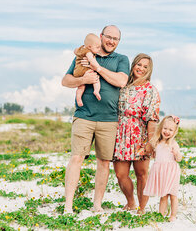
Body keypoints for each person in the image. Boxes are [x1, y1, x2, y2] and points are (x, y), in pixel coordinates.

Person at [62, 25, 129, 213]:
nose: (111, 41)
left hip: (109, 119)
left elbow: (121, 81)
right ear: (101, 36)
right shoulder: (86, 53)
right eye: (109, 37)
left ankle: (97, 205)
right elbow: (65, 80)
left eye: (116, 39)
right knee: (76, 157)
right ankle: (68, 205)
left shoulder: (121, 59)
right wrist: (83, 80)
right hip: (84, 115)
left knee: (104, 162)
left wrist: (97, 68)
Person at [113, 53, 161, 214]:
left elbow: (152, 118)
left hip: (139, 133)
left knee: (141, 173)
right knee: (120, 174)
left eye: (145, 67)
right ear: (133, 65)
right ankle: (131, 201)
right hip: (120, 134)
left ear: (149, 70)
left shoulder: (150, 89)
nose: (140, 68)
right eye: (138, 65)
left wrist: (151, 142)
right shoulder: (123, 85)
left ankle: (142, 208)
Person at [143, 115, 182, 222]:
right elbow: (154, 155)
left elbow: (179, 159)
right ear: (161, 128)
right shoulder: (157, 143)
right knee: (163, 195)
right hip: (161, 172)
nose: (167, 132)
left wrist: (176, 153)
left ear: (174, 132)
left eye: (170, 130)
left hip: (171, 171)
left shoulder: (173, 144)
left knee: (173, 194)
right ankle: (161, 214)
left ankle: (173, 215)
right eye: (165, 128)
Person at [73, 33, 102, 107]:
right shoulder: (88, 52)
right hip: (84, 70)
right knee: (96, 79)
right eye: (97, 47)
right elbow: (91, 60)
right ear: (89, 46)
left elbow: (75, 51)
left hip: (77, 71)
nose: (99, 49)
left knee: (81, 87)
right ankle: (96, 91)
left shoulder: (81, 49)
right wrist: (98, 67)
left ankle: (78, 98)